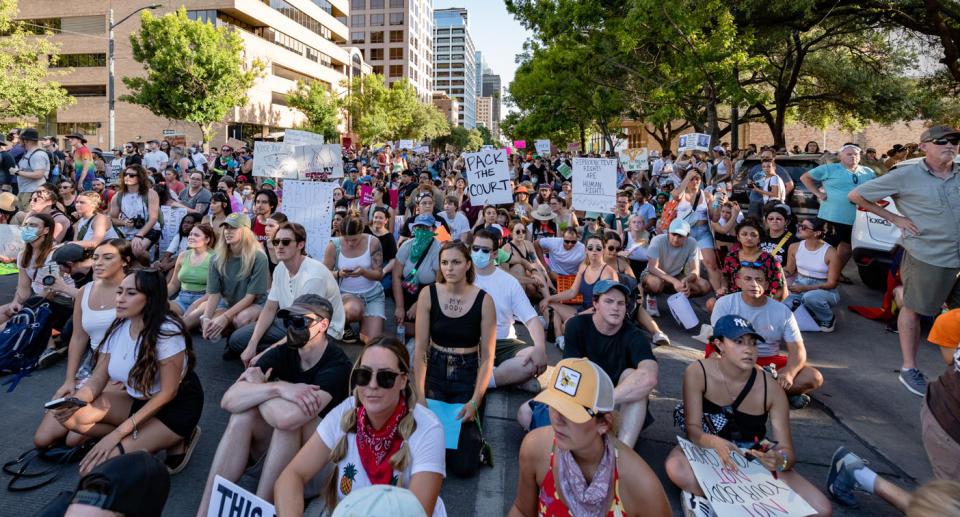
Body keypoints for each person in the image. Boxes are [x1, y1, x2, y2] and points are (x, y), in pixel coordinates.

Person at [196, 295, 351, 515]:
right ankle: (206, 512)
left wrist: (258, 392)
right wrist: (277, 389)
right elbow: (228, 400)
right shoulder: (284, 351)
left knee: (287, 425)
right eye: (288, 321)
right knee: (242, 415)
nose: (291, 328)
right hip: (277, 460)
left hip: (322, 469)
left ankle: (261, 510)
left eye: (299, 322)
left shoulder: (337, 366)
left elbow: (287, 418)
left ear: (323, 325)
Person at [665, 315, 833, 517]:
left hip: (752, 455)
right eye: (738, 342)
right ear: (719, 344)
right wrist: (714, 442)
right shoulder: (698, 371)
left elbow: (788, 454)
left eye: (753, 343)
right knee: (676, 467)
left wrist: (778, 460)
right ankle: (712, 498)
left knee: (821, 509)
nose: (748, 349)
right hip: (707, 451)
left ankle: (717, 500)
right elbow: (693, 430)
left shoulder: (771, 388)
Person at [50, 269, 203, 476]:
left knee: (92, 471)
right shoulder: (119, 325)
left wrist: (118, 434)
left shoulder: (167, 332)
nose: (120, 299)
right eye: (119, 292)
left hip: (174, 406)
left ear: (150, 299)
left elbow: (168, 393)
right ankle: (141, 438)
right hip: (138, 397)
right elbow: (97, 379)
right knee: (71, 418)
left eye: (131, 294)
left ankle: (178, 437)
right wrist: (75, 400)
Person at [275, 336, 446, 516]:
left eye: (385, 377)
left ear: (403, 380)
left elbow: (418, 513)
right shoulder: (346, 412)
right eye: (364, 375)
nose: (372, 385)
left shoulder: (428, 429)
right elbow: (291, 476)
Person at [848, 125, 960, 396]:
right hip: (928, 254)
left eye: (955, 141)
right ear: (924, 146)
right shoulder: (907, 174)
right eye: (942, 141)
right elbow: (856, 195)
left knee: (955, 316)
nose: (950, 145)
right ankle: (909, 369)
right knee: (915, 309)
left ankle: (955, 369)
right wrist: (896, 218)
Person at [825, 308, 960, 511]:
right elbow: (947, 321)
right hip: (948, 421)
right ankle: (856, 473)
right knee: (947, 510)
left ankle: (857, 473)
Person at [509, 357, 671, 517]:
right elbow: (522, 511)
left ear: (604, 424)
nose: (557, 420)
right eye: (554, 405)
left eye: (570, 413)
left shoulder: (641, 486)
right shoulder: (536, 447)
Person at [523, 280, 658, 449]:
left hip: (616, 406)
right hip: (580, 401)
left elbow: (649, 377)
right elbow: (570, 375)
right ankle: (584, 443)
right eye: (608, 301)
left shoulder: (635, 336)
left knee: (632, 375)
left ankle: (620, 455)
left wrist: (602, 403)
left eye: (621, 303)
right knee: (525, 412)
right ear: (595, 304)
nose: (615, 308)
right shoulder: (576, 326)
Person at [34, 239, 134, 449]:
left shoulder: (136, 289)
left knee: (73, 438)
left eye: (108, 258)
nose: (99, 263)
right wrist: (69, 381)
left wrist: (134, 372)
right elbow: (79, 338)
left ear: (125, 261)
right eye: (96, 257)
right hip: (93, 364)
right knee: (42, 440)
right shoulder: (85, 291)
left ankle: (136, 425)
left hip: (123, 366)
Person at [414, 241, 496, 477]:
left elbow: (488, 356)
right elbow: (420, 349)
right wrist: (419, 394)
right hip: (435, 372)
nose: (449, 268)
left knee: (463, 466)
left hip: (467, 375)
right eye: (445, 262)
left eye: (456, 262)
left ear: (468, 264)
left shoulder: (484, 300)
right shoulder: (428, 294)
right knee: (426, 454)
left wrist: (475, 400)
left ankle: (475, 431)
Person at [231, 222, 345, 364]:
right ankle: (284, 354)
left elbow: (306, 326)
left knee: (275, 357)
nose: (279, 246)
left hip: (320, 329)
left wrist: (266, 354)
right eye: (276, 241)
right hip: (290, 321)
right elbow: (270, 308)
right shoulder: (280, 268)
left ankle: (284, 355)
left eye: (285, 242)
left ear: (300, 245)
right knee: (236, 341)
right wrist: (252, 344)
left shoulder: (313, 276)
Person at [711, 264, 824, 406]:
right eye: (748, 279)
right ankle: (778, 394)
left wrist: (788, 373)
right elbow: (719, 344)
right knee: (713, 362)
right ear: (738, 282)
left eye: (759, 280)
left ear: (766, 284)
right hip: (734, 357)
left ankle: (754, 394)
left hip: (769, 364)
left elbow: (797, 349)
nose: (754, 284)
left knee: (813, 377)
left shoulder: (782, 311)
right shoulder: (724, 303)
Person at [471, 229, 548, 392]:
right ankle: (504, 376)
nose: (479, 253)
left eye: (485, 250)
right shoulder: (461, 277)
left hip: (503, 342)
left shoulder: (508, 282)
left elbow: (532, 319)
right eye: (475, 248)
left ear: (494, 254)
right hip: (469, 342)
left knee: (534, 360)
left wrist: (540, 348)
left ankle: (484, 379)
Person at [186, 213, 267, 343]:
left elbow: (250, 298)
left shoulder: (258, 257)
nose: (228, 232)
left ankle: (239, 345)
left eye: (233, 228)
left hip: (256, 303)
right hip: (228, 302)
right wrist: (206, 318)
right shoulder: (216, 258)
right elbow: (214, 294)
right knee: (208, 321)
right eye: (226, 228)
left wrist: (226, 317)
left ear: (246, 231)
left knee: (241, 319)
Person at [801, 143, 876, 276]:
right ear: (840, 156)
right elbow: (805, 178)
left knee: (847, 249)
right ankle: (811, 275)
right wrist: (818, 194)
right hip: (831, 217)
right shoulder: (829, 169)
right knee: (822, 248)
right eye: (849, 154)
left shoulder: (868, 172)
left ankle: (833, 275)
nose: (853, 156)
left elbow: (876, 190)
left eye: (856, 154)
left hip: (857, 219)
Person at [540, 234, 617, 341]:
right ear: (586, 250)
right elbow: (572, 292)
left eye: (598, 248)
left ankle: (555, 328)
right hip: (583, 311)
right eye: (590, 247)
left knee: (568, 324)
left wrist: (577, 317)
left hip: (598, 317)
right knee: (549, 305)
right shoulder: (584, 267)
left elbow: (603, 307)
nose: (594, 250)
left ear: (603, 250)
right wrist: (549, 298)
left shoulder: (608, 273)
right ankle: (559, 338)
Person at [324, 214, 385, 344]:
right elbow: (324, 273)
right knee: (354, 310)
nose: (350, 243)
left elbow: (379, 275)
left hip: (372, 295)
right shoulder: (334, 245)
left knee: (371, 341)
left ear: (362, 230)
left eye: (355, 240)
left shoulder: (373, 242)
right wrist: (339, 274)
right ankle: (344, 322)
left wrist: (364, 272)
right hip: (346, 294)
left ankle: (365, 319)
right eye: (346, 240)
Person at [642, 219, 711, 316]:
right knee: (655, 283)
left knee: (704, 286)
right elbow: (652, 268)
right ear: (668, 232)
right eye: (673, 234)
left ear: (687, 236)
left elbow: (695, 271)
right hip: (653, 275)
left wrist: (686, 280)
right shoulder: (657, 240)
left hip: (677, 275)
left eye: (680, 236)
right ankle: (651, 296)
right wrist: (674, 281)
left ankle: (678, 299)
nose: (675, 239)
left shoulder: (692, 243)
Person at [783, 218, 841, 331]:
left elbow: (832, 284)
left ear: (817, 233)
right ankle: (810, 311)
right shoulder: (794, 247)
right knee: (779, 304)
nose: (799, 228)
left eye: (804, 227)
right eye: (800, 225)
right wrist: (770, 276)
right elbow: (789, 270)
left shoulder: (831, 253)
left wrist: (806, 288)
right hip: (799, 285)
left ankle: (828, 319)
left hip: (825, 290)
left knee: (810, 297)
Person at [716, 218, 785, 311]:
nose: (748, 238)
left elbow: (779, 288)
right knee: (712, 303)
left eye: (753, 235)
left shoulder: (769, 259)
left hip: (760, 300)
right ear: (738, 237)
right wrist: (723, 287)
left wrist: (771, 308)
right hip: (735, 298)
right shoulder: (731, 256)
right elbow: (725, 277)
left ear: (759, 238)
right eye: (744, 234)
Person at [672, 169, 722, 292]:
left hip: (702, 232)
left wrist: (718, 205)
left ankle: (720, 295)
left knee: (711, 264)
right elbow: (676, 196)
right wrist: (686, 177)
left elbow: (714, 217)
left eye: (697, 178)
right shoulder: (680, 193)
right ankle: (683, 292)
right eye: (691, 178)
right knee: (684, 267)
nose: (694, 181)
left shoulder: (707, 196)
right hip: (683, 233)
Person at [393, 214, 442, 337]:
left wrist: (420, 304)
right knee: (406, 330)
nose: (422, 231)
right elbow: (396, 275)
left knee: (424, 331)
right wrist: (400, 307)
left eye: (426, 228)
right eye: (419, 227)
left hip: (429, 292)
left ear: (434, 230)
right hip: (408, 290)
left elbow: (439, 281)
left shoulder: (438, 248)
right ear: (414, 229)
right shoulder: (407, 246)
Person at [109, 164, 161, 263]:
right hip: (127, 231)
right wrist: (124, 223)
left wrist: (139, 235)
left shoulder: (150, 193)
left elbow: (153, 218)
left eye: (132, 175)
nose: (127, 177)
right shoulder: (118, 196)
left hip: (148, 230)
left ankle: (149, 270)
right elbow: (113, 219)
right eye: (125, 174)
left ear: (140, 177)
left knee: (136, 250)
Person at [167, 223, 216, 315]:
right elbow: (174, 284)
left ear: (207, 239)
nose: (191, 237)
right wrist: (158, 297)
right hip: (182, 298)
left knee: (188, 319)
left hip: (203, 300)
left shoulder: (214, 258)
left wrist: (195, 304)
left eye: (196, 235)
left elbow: (214, 291)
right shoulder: (183, 255)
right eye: (190, 234)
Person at [746, 149, 794, 219]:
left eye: (767, 157)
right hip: (755, 202)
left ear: (773, 158)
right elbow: (749, 183)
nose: (764, 159)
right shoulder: (755, 168)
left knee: (768, 224)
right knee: (753, 223)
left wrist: (778, 198)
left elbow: (790, 185)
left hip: (770, 204)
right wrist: (752, 195)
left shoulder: (778, 169)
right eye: (762, 157)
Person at [13, 129, 51, 211]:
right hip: (25, 190)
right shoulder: (29, 152)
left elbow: (38, 174)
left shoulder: (38, 154)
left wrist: (17, 172)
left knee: (28, 218)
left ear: (26, 140)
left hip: (32, 191)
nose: (18, 141)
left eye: (20, 139)